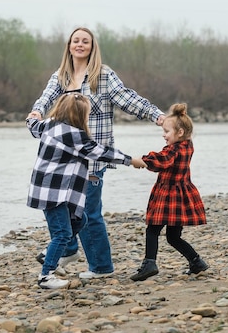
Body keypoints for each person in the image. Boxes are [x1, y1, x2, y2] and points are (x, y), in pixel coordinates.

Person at [29, 27, 166, 279]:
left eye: (85, 41)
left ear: (92, 47)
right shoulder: (60, 76)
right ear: (69, 45)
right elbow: (45, 99)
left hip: (93, 157)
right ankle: (69, 249)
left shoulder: (102, 75)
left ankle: (101, 267)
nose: (80, 44)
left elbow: (128, 99)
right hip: (62, 161)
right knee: (64, 209)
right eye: (76, 40)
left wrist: (157, 116)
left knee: (89, 212)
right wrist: (37, 112)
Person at [26, 92, 146, 289]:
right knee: (63, 233)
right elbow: (102, 153)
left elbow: (33, 126)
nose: (88, 118)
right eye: (87, 114)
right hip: (52, 193)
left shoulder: (49, 125)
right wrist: (131, 160)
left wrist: (32, 116)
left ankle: (55, 252)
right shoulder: (75, 135)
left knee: (81, 220)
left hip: (47, 188)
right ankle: (46, 276)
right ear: (79, 116)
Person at [129, 103, 209, 282]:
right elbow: (165, 159)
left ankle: (149, 263)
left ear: (179, 133)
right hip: (182, 195)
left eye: (167, 132)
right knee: (173, 236)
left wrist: (141, 161)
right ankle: (197, 262)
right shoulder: (188, 145)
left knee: (152, 230)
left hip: (168, 196)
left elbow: (161, 160)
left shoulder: (173, 149)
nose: (164, 135)